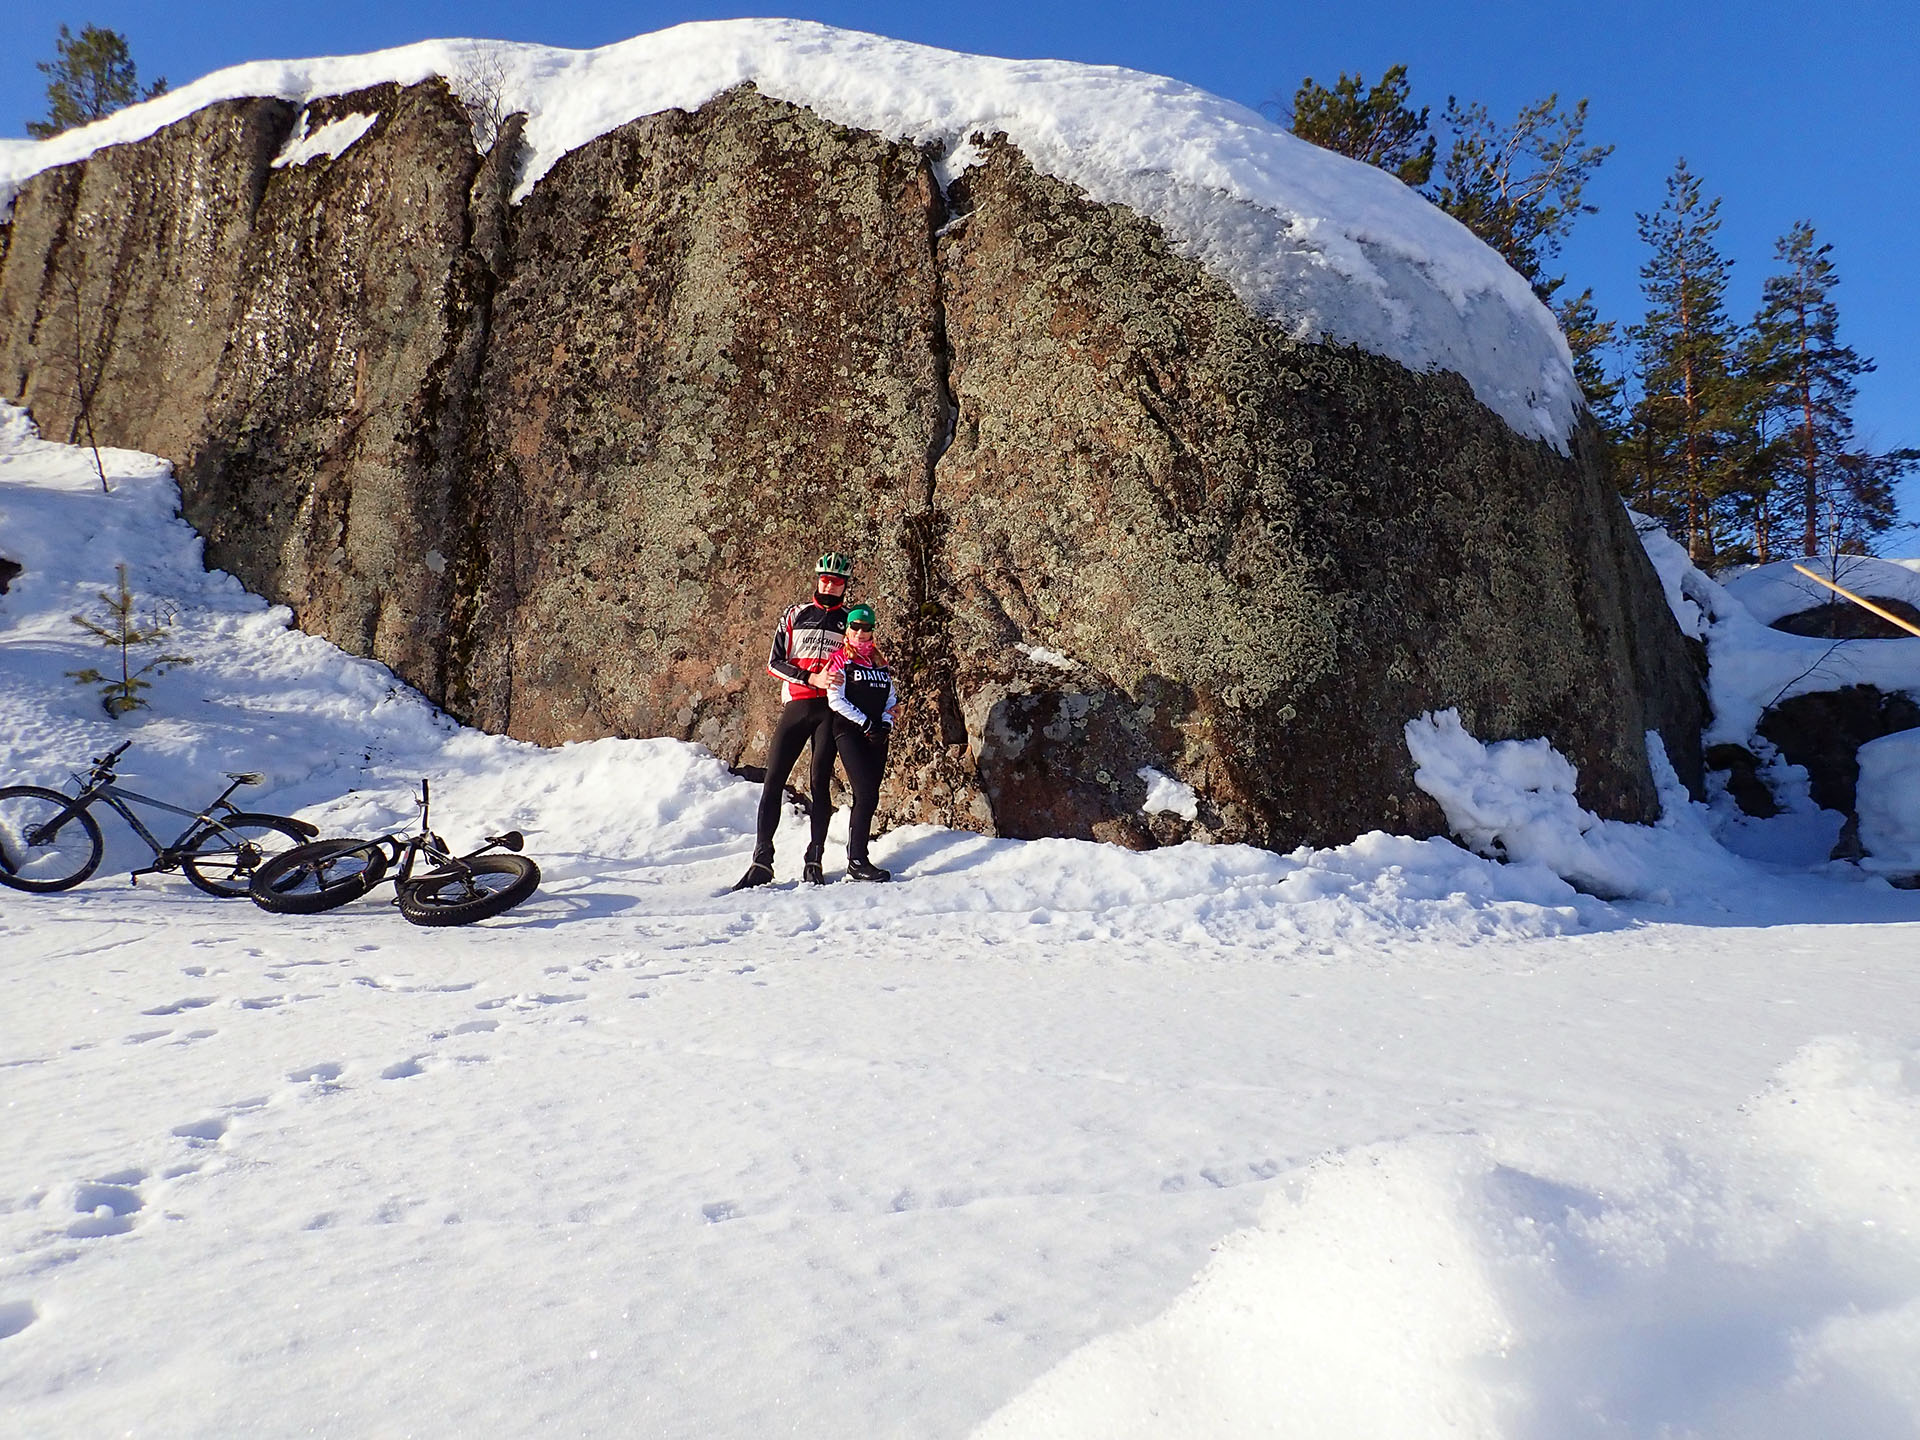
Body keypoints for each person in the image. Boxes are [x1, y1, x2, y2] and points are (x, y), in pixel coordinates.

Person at [732, 553, 855, 890]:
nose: (829, 585)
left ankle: (814, 859)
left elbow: (862, 664)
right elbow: (774, 662)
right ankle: (762, 860)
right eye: (825, 579)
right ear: (817, 579)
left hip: (830, 710)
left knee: (819, 783)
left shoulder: (850, 620)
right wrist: (809, 678)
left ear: (845, 585)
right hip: (798, 705)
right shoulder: (795, 614)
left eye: (836, 581)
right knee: (773, 780)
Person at [822, 603, 898, 882]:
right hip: (849, 731)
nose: (860, 632)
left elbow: (891, 698)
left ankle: (858, 858)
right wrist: (866, 723)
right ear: (847, 629)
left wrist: (885, 723)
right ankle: (856, 861)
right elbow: (835, 699)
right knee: (864, 793)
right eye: (855, 626)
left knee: (870, 796)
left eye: (866, 628)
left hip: (877, 734)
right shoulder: (840, 659)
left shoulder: (879, 661)